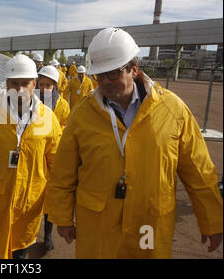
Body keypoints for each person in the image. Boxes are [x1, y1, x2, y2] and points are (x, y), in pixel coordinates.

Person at [46, 27, 223, 258]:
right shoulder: (82, 115)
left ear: (134, 70)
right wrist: (62, 216)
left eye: (114, 73)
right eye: (100, 75)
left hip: (149, 223)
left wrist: (213, 221)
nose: (106, 82)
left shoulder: (172, 110)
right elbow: (63, 171)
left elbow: (199, 169)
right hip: (98, 222)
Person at [0, 54, 62, 259]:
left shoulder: (48, 118)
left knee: (20, 249)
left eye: (25, 83)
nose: (20, 89)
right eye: (14, 83)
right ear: (7, 84)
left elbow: (57, 162)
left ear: (35, 83)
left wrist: (57, 199)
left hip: (30, 200)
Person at [37, 65, 71, 251]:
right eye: (41, 84)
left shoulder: (63, 105)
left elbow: (66, 127)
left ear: (55, 86)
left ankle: (48, 234)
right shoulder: (29, 102)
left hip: (53, 156)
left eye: (49, 84)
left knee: (50, 197)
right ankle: (27, 230)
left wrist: (54, 132)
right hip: (34, 153)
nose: (45, 88)